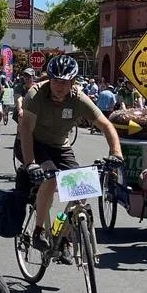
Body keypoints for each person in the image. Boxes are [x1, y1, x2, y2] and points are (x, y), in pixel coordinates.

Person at [16, 55, 122, 251]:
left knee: (82, 189)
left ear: (73, 82)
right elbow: (25, 130)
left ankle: (61, 233)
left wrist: (116, 153)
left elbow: (106, 125)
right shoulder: (35, 95)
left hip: (60, 147)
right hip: (34, 143)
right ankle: (38, 230)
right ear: (50, 79)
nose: (59, 86)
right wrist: (30, 162)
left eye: (65, 82)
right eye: (56, 80)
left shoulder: (79, 99)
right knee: (51, 177)